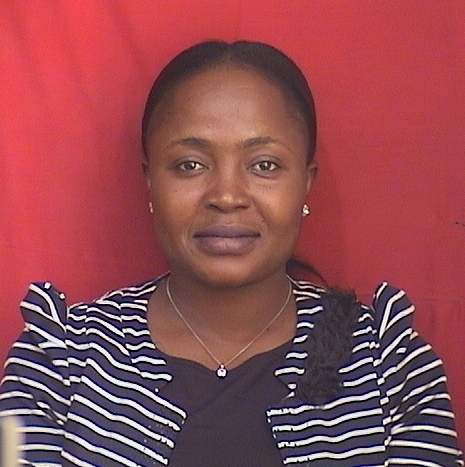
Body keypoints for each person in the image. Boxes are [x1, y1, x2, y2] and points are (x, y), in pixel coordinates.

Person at [0, 40, 462, 467]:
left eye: (264, 165)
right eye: (190, 165)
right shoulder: (60, 360)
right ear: (150, 180)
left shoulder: (386, 361)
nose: (226, 195)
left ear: (305, 183)